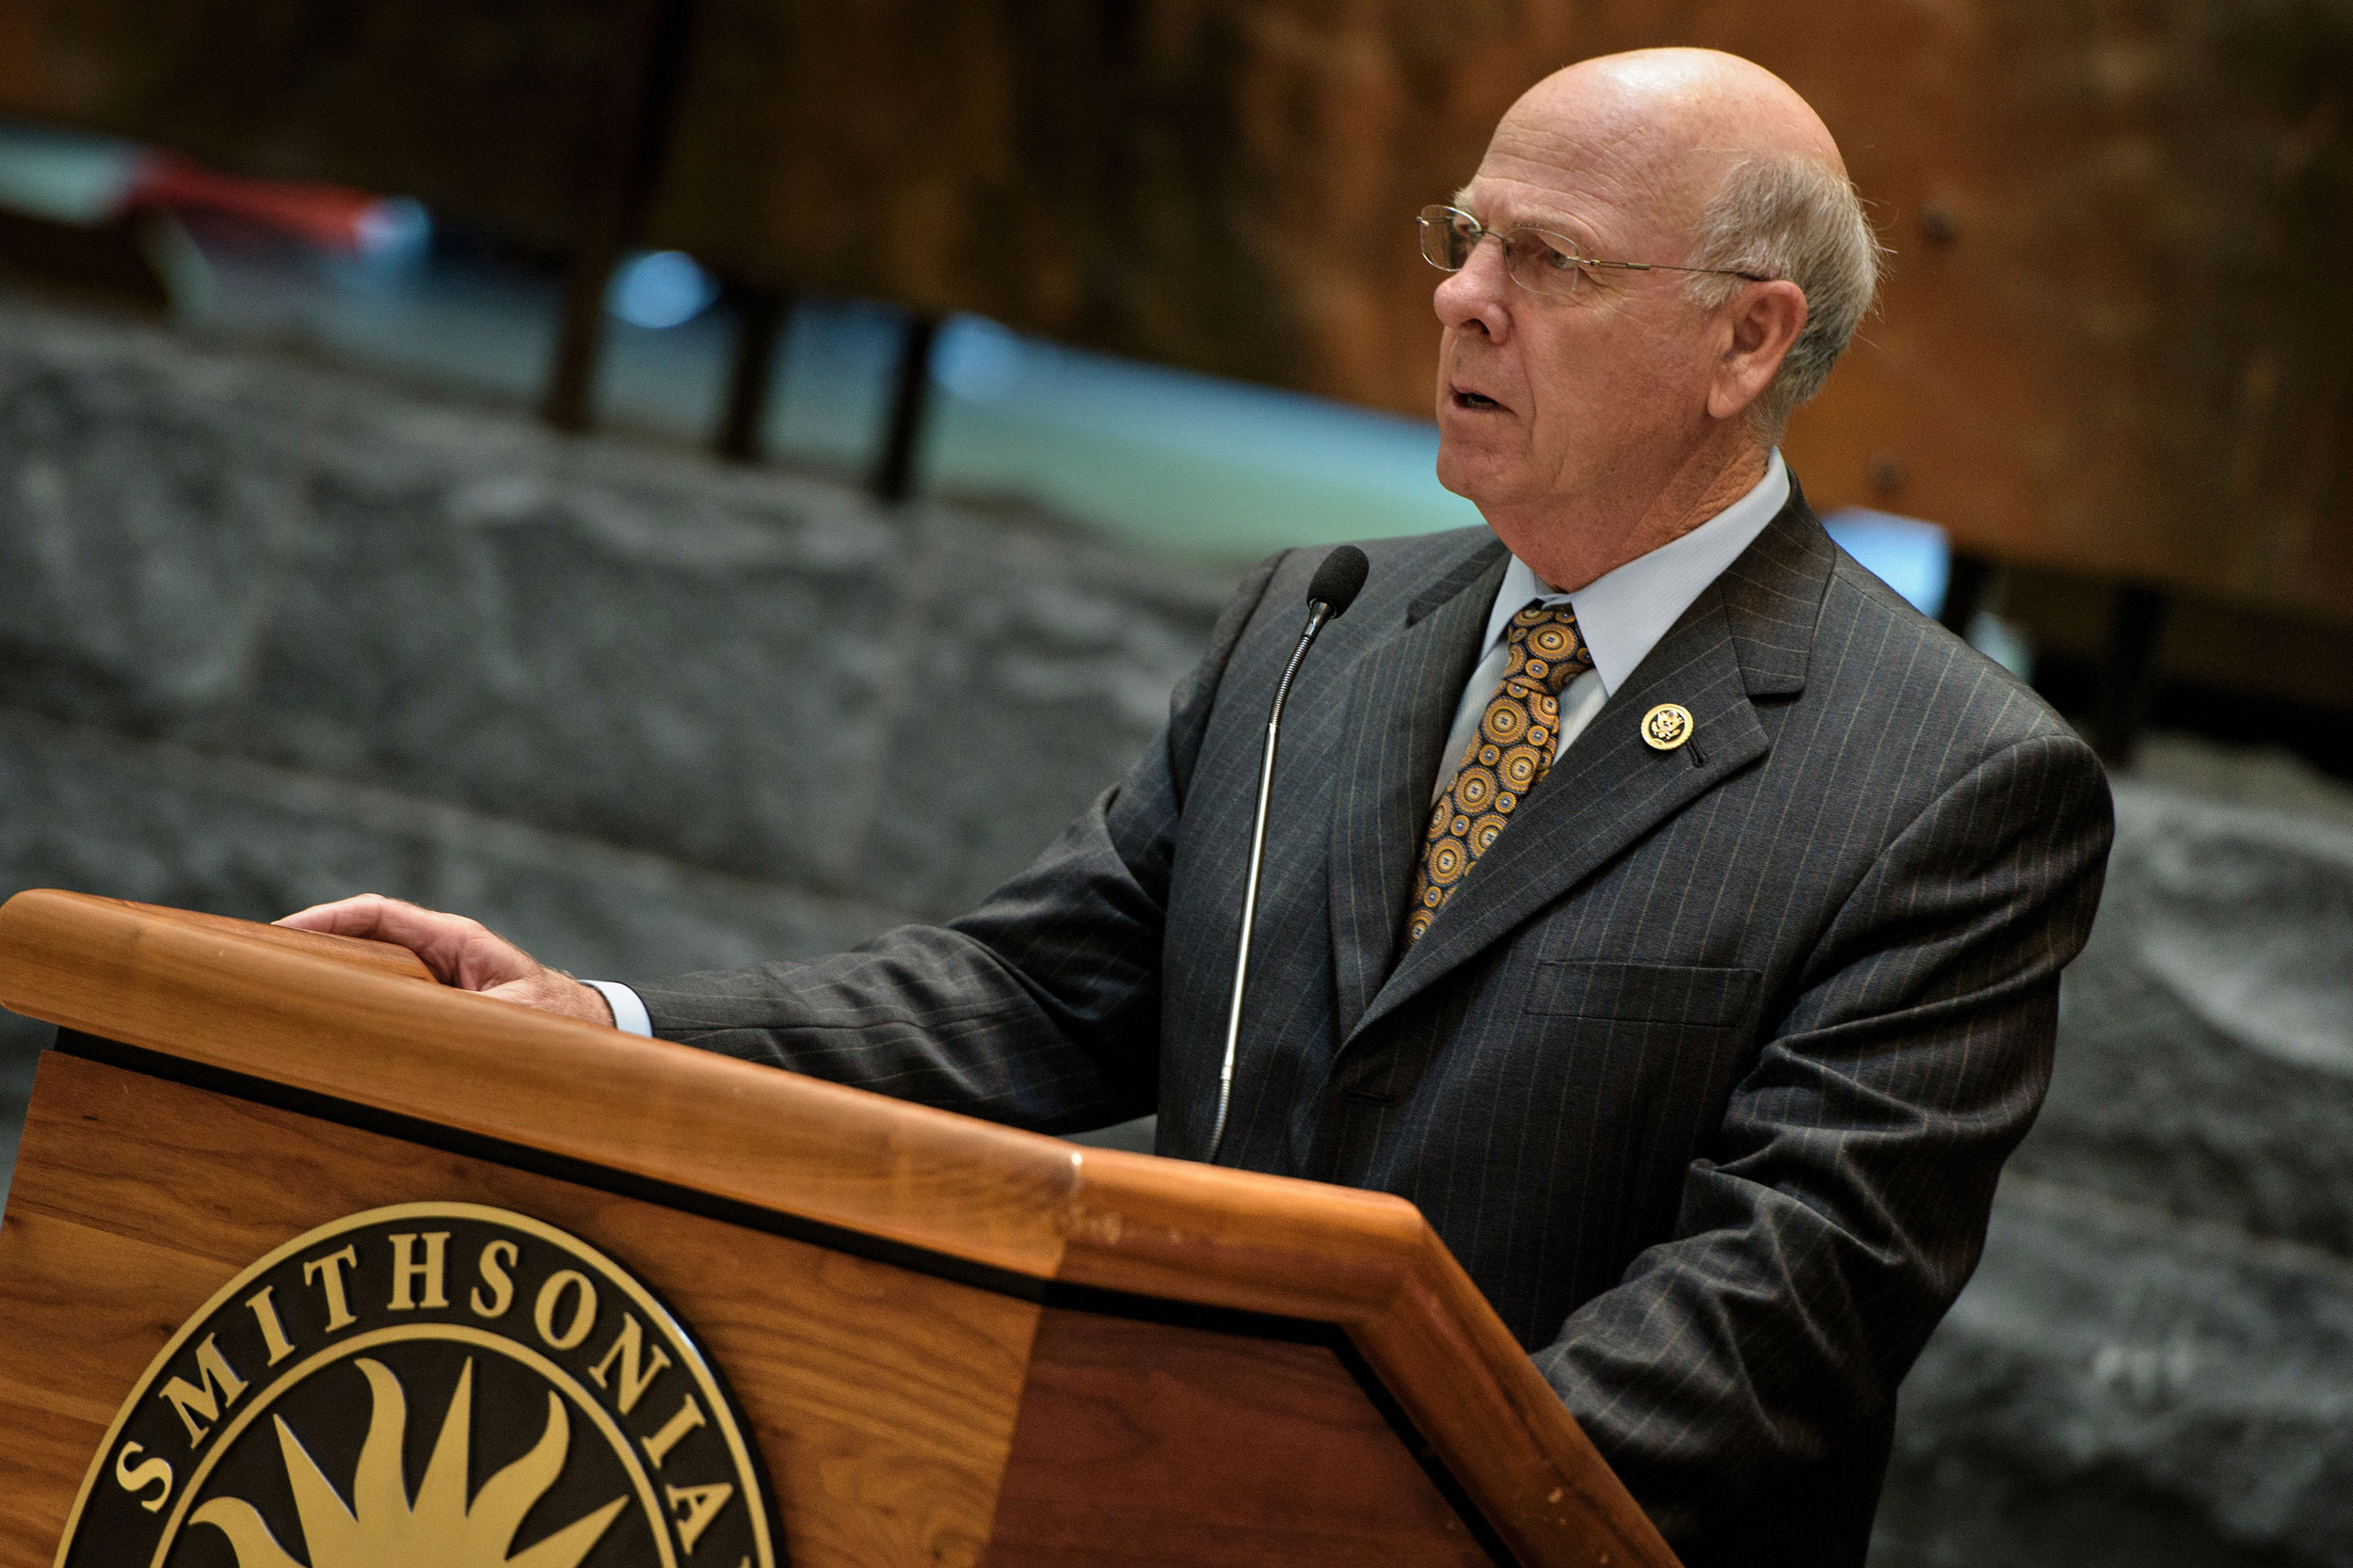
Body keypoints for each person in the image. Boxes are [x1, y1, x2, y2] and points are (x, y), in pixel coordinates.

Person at [284, 47, 2113, 1566]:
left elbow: (1777, 1304)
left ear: (1744, 342)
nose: (1459, 296)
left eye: (1547, 262)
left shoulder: (1948, 784)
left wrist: (1331, 1509)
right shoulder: (1323, 624)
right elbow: (1029, 994)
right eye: (1462, 235)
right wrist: (603, 1029)